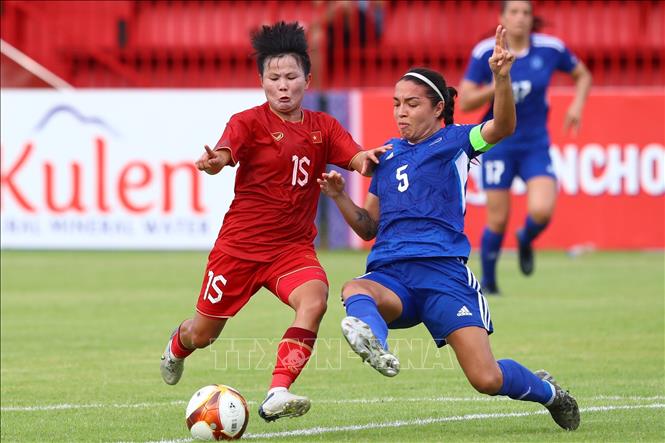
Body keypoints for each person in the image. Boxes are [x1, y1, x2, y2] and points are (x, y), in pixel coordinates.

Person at [318, 26, 580, 431]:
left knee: (486, 379)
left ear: (438, 108)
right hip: (393, 276)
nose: (401, 112)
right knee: (354, 287)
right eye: (396, 104)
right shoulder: (385, 156)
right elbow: (369, 227)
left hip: (444, 275)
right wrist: (338, 196)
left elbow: (503, 127)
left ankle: (549, 393)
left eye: (411, 104)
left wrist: (502, 77)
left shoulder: (458, 141)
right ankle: (377, 346)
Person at [159, 21, 390, 422]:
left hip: (292, 249)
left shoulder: (324, 127)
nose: (283, 86)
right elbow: (225, 153)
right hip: (239, 249)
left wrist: (366, 159)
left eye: (291, 77)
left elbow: (356, 158)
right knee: (203, 334)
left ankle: (278, 390)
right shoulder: (248, 121)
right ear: (261, 80)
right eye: (274, 78)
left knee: (315, 300)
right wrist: (215, 163)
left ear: (307, 79)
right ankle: (177, 346)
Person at [459, 0, 592, 294]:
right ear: (502, 18)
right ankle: (490, 285)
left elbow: (583, 75)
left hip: (534, 143)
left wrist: (577, 106)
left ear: (533, 19)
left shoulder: (550, 48)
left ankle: (525, 238)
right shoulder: (486, 52)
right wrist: (500, 80)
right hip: (498, 144)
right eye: (514, 12)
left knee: (542, 211)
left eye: (526, 13)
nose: (520, 18)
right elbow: (466, 100)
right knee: (497, 217)